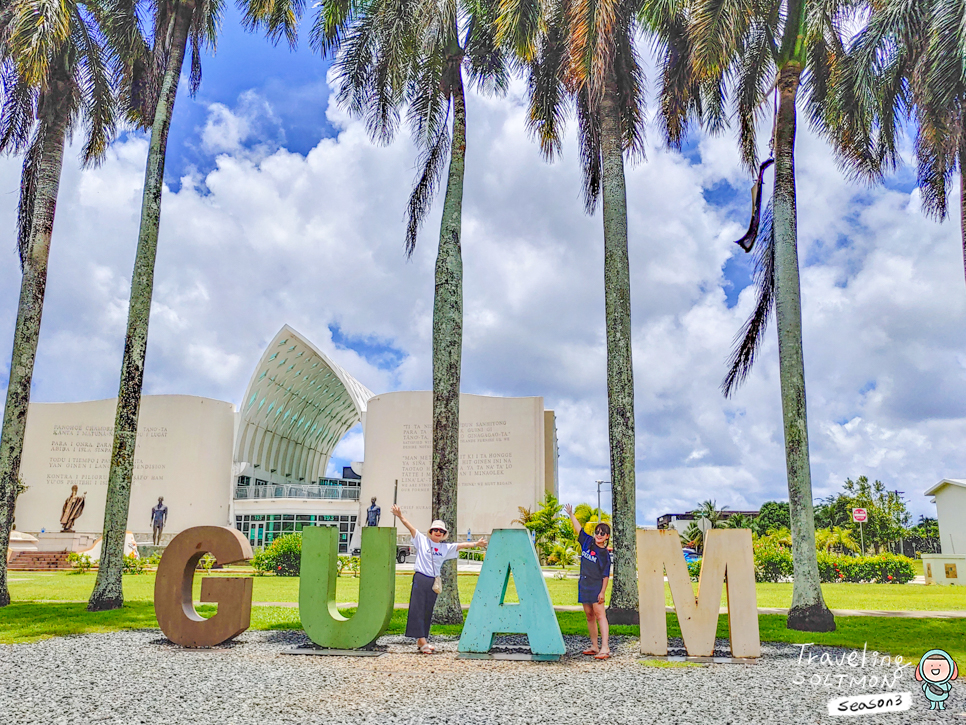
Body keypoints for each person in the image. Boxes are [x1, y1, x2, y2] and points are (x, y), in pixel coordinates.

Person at [391, 504, 486, 653]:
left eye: (441, 531)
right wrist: (400, 516)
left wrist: (476, 544)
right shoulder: (422, 540)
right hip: (420, 578)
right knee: (417, 609)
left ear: (443, 535)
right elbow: (410, 528)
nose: (438, 532)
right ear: (430, 531)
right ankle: (422, 641)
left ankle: (421, 639)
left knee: (427, 610)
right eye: (435, 530)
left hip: (433, 581)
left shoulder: (445, 548)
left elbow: (460, 545)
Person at [565, 503, 611, 659]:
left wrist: (602, 592)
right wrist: (571, 514)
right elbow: (579, 529)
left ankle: (605, 647)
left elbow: (605, 575)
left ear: (607, 537)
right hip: (584, 584)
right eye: (597, 532)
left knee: (600, 614)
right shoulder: (587, 542)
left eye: (602, 533)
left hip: (596, 586)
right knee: (589, 615)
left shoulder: (604, 554)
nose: (599, 535)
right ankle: (594, 645)